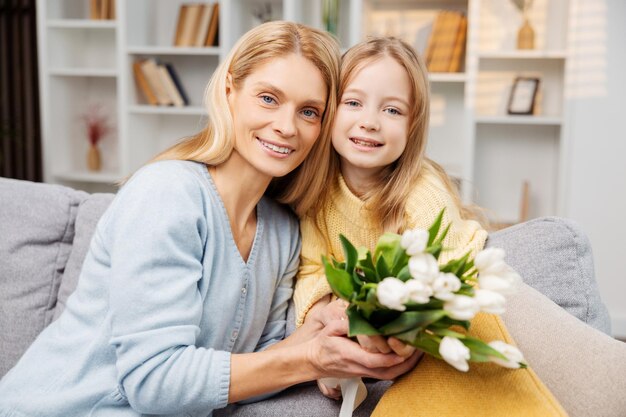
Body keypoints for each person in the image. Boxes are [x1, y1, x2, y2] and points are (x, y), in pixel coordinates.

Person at [0, 23, 420, 417]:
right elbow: (153, 380)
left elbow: (260, 368)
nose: (286, 127)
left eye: (309, 112)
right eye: (269, 98)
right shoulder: (169, 193)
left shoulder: (281, 231)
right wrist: (308, 357)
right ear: (228, 90)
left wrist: (319, 332)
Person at [293, 37, 568, 416]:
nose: (369, 122)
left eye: (392, 110)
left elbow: (448, 275)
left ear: (413, 125)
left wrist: (392, 329)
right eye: (353, 103)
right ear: (329, 110)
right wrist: (327, 317)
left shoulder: (421, 190)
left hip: (480, 300)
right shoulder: (318, 195)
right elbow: (312, 269)